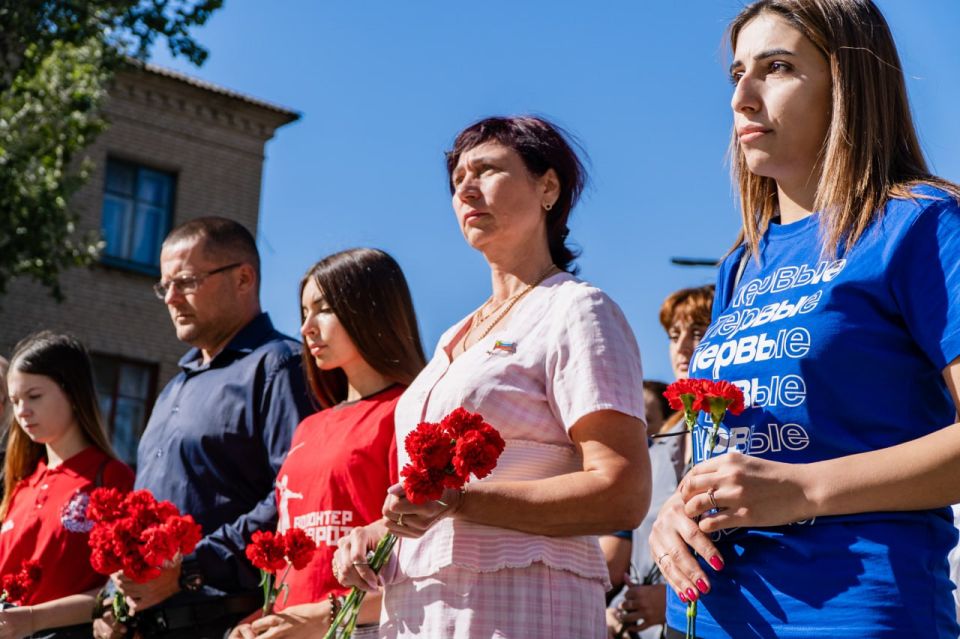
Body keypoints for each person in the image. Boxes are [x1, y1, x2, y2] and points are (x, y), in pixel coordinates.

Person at [648, 1, 960, 637]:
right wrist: (674, 514)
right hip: (709, 615)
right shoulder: (742, 261)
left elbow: (791, 477)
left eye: (777, 68)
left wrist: (805, 490)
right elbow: (743, 452)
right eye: (737, 73)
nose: (741, 97)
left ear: (849, 84)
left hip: (854, 611)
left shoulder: (922, 224)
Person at [333, 115, 651, 638]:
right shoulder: (452, 336)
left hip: (521, 612)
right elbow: (436, 505)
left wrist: (460, 503)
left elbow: (622, 492)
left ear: (548, 187)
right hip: (422, 614)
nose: (466, 189)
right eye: (458, 179)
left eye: (487, 170)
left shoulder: (578, 309)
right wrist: (376, 532)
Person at [93, 217, 313, 639]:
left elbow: (294, 497)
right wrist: (113, 598)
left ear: (244, 278)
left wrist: (191, 567)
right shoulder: (174, 387)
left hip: (225, 623)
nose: (171, 298)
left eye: (186, 282)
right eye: (164, 286)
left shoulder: (280, 366)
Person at [228, 248, 426, 639]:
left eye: (324, 309)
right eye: (304, 312)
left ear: (371, 308)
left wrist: (327, 613)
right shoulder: (308, 428)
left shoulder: (409, 411)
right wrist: (258, 622)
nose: (306, 328)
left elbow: (426, 560)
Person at [0, 332, 135, 638]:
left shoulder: (111, 479)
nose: (22, 411)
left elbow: (122, 588)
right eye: (15, 401)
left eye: (34, 396)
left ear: (73, 393)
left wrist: (32, 619)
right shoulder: (21, 482)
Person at [604, 287, 714, 639]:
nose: (682, 348)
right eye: (674, 335)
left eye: (698, 332)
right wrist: (612, 609)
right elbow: (623, 556)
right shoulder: (654, 450)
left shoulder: (742, 435)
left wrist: (669, 599)